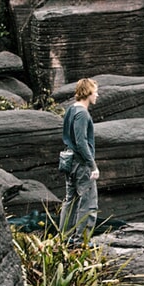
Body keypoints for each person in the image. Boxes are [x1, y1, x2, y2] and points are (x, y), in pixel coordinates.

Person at [60, 78, 100, 240]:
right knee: (89, 202)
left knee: (70, 201)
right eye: (95, 92)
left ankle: (64, 238)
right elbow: (81, 142)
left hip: (69, 161)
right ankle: (81, 241)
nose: (97, 95)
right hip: (81, 163)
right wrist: (92, 166)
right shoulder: (82, 113)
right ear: (88, 93)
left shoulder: (71, 110)